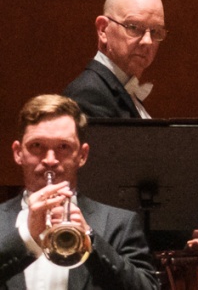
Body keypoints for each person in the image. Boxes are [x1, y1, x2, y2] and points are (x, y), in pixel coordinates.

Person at [3, 96, 158, 290]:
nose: (50, 160)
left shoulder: (119, 223)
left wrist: (90, 241)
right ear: (18, 153)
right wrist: (26, 238)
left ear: (82, 155)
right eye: (37, 146)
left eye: (63, 147)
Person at [61, 0, 165, 122]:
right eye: (133, 27)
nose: (148, 41)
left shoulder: (118, 89)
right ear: (103, 30)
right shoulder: (89, 94)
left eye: (155, 31)